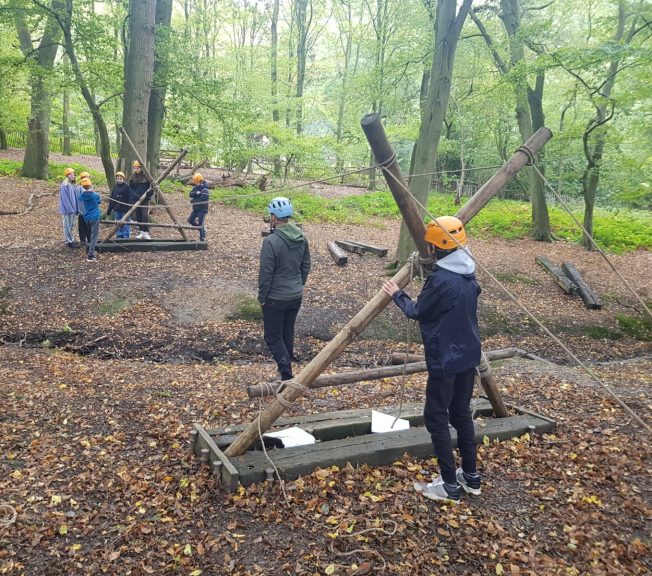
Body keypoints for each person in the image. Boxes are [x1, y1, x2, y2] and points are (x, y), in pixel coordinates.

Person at [382, 216, 482, 504]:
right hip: (468, 354)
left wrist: (397, 295)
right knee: (461, 414)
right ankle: (470, 476)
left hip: (446, 359)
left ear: (436, 248)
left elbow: (419, 311)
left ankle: (449, 484)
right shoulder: (468, 270)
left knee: (436, 417)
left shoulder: (441, 280)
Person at [258, 197, 311, 381]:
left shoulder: (271, 241)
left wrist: (262, 297)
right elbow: (306, 265)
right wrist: (298, 284)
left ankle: (286, 373)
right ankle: (283, 371)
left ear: (274, 217)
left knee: (273, 337)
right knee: (287, 333)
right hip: (295, 295)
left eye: (270, 215)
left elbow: (266, 273)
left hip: (276, 297)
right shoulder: (301, 237)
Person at [78, 177, 102, 261]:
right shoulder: (96, 195)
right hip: (94, 217)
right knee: (94, 236)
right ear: (90, 185)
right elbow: (99, 201)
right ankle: (90, 255)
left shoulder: (81, 195)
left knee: (90, 234)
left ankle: (89, 249)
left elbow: (81, 197)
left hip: (87, 217)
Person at [129, 160, 153, 240]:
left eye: (137, 167)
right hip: (137, 200)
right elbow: (131, 189)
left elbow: (151, 188)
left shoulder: (146, 177)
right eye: (135, 168)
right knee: (138, 216)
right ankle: (141, 231)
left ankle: (146, 232)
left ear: (140, 168)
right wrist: (136, 196)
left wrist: (148, 194)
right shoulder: (132, 178)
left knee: (145, 215)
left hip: (145, 199)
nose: (136, 169)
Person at [107, 171, 132, 239]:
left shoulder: (127, 187)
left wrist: (130, 208)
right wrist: (109, 210)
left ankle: (126, 237)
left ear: (123, 179)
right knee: (118, 223)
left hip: (125, 209)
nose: (119, 180)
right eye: (118, 179)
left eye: (120, 179)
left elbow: (130, 197)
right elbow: (112, 198)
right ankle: (119, 236)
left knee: (125, 224)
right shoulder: (115, 186)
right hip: (117, 208)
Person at [59, 167, 79, 248]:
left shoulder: (71, 184)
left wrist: (76, 209)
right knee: (67, 226)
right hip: (68, 210)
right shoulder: (65, 185)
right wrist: (70, 210)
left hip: (73, 210)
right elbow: (65, 199)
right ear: (67, 175)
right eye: (70, 174)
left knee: (71, 226)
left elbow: (75, 197)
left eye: (73, 174)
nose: (72, 176)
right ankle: (68, 241)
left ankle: (71, 239)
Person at [187, 173, 209, 241]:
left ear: (200, 181)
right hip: (195, 209)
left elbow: (202, 199)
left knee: (200, 223)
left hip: (202, 209)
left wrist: (193, 201)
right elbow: (191, 194)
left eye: (196, 182)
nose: (195, 183)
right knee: (190, 220)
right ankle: (202, 230)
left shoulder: (205, 189)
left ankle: (202, 238)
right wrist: (196, 193)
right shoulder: (195, 187)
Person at [77, 171, 91, 246]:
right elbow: (78, 199)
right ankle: (83, 239)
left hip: (88, 211)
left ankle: (89, 239)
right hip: (82, 211)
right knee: (82, 226)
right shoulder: (79, 188)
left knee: (88, 226)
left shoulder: (90, 186)